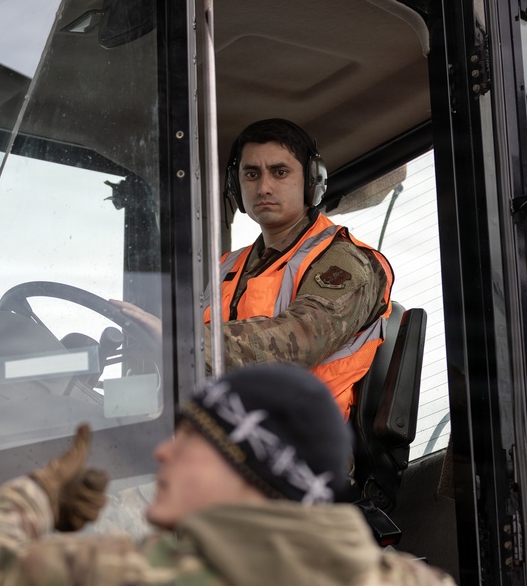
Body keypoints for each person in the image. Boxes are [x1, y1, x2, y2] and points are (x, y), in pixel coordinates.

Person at [0, 363, 461, 586]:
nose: (163, 455)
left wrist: (38, 493)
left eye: (190, 442)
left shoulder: (133, 583)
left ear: (252, 473)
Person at [114, 119, 393, 421]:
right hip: (221, 434)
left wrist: (188, 344)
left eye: (280, 172)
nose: (263, 187)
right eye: (251, 174)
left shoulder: (343, 261)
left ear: (312, 181)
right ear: (237, 184)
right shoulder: (227, 267)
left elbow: (299, 342)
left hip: (300, 449)